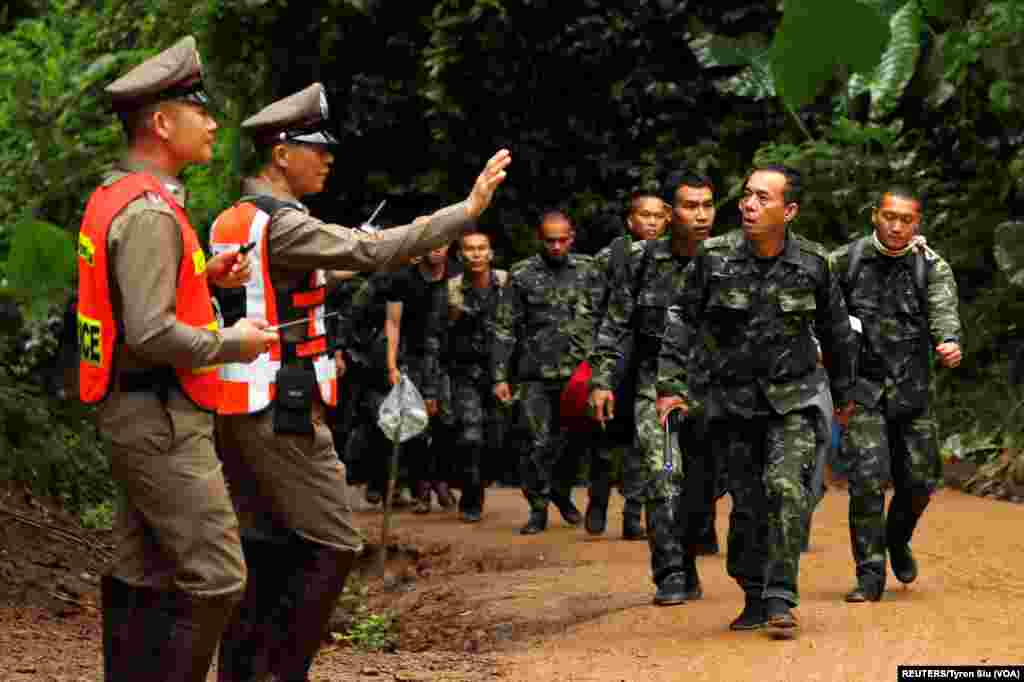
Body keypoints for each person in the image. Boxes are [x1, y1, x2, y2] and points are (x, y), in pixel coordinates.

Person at [208, 82, 510, 680]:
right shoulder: (286, 225)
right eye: (315, 148)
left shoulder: (237, 217)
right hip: (281, 406)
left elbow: (281, 288)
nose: (327, 159)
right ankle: (280, 672)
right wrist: (466, 211)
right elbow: (372, 250)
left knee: (267, 546)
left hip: (243, 402)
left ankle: (245, 672)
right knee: (332, 543)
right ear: (280, 153)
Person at [77, 36, 279, 682]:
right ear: (162, 123)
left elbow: (142, 296)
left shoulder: (128, 195)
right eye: (200, 108)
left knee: (143, 570)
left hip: (136, 409)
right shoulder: (148, 212)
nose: (214, 121)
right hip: (160, 415)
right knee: (219, 576)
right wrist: (233, 343)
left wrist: (209, 275)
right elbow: (151, 333)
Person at [656, 165, 856, 638]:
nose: (748, 204)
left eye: (762, 198)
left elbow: (837, 333)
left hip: (794, 399)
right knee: (748, 506)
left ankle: (780, 595)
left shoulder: (813, 262)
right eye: (746, 195)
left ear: (788, 211)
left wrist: (846, 395)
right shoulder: (714, 257)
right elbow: (682, 317)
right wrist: (670, 385)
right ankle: (752, 593)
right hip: (733, 404)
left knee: (787, 489)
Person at [590, 172, 717, 605]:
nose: (700, 216)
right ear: (668, 213)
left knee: (701, 486)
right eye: (689, 206)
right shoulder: (641, 260)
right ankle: (670, 574)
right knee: (664, 477)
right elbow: (616, 322)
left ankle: (689, 561)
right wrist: (603, 380)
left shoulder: (726, 259)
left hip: (713, 389)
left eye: (707, 205)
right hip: (654, 385)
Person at [831, 187, 961, 603]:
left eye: (906, 219)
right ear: (875, 216)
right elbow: (820, 310)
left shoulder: (930, 266)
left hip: (913, 390)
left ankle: (897, 538)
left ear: (916, 224)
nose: (897, 225)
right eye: (890, 216)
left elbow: (944, 314)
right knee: (867, 482)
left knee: (920, 482)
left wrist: (949, 343)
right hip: (863, 389)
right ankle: (869, 575)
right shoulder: (845, 261)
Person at [493, 211, 596, 534]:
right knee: (536, 442)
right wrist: (499, 376)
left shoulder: (589, 270)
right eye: (549, 240)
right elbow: (505, 326)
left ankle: (561, 493)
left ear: (572, 237)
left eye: (561, 240)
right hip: (534, 374)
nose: (555, 246)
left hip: (577, 374)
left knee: (574, 443)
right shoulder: (522, 274)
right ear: (540, 239)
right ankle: (538, 508)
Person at [586, 190, 669, 539]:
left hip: (651, 361)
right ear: (630, 221)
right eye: (644, 215)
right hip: (616, 357)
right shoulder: (611, 257)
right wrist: (596, 363)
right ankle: (599, 497)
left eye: (657, 216)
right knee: (607, 437)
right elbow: (592, 311)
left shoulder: (674, 257)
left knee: (644, 439)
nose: (651, 222)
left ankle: (633, 513)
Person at [442, 231, 509, 521]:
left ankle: (479, 482)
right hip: (464, 372)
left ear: (491, 253)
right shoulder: (450, 290)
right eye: (470, 249)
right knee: (470, 436)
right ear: (460, 255)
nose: (476, 254)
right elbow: (437, 334)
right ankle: (471, 499)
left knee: (496, 439)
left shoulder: (507, 283)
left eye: (482, 248)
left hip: (503, 373)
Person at [384, 244, 454, 514]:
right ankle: (421, 489)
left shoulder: (457, 275)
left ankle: (442, 480)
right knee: (416, 427)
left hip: (449, 361)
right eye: (431, 244)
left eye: (442, 243)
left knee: (448, 424)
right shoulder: (402, 279)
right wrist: (392, 365)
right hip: (412, 359)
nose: (437, 250)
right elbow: (393, 323)